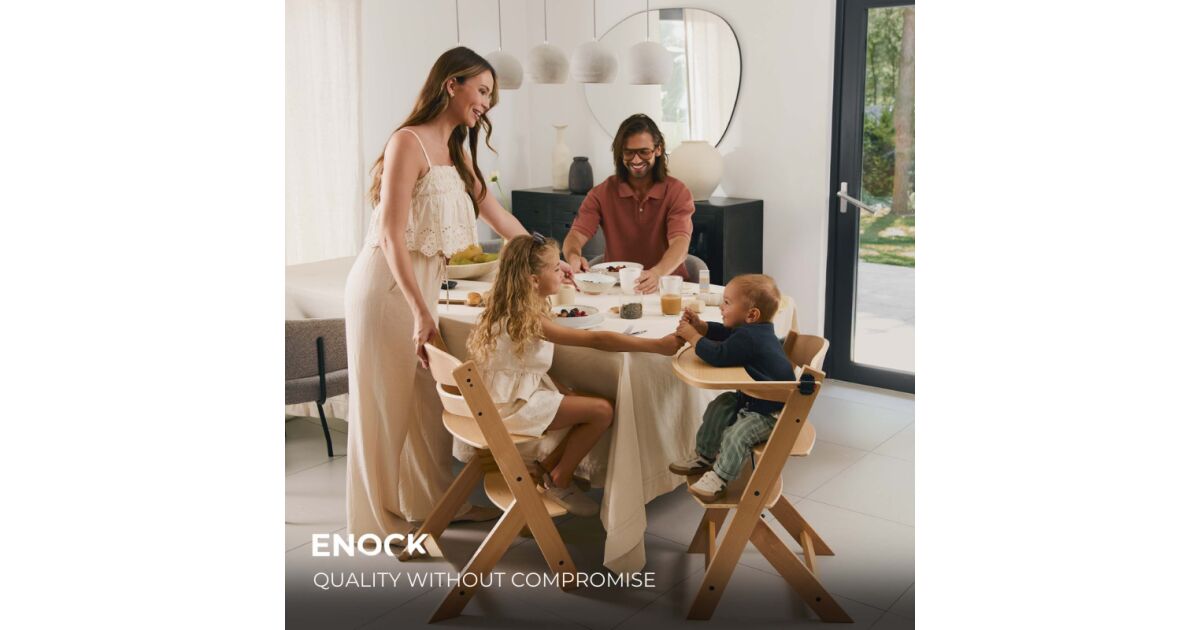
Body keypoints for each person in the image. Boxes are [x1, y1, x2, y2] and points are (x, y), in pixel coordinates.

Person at [344, 47, 573, 538]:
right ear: (452, 84)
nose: (486, 104)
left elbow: (500, 216)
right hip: (385, 288)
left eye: (491, 96)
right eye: (482, 91)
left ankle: (431, 505)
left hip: (418, 290)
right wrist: (419, 310)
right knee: (384, 408)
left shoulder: (456, 152)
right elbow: (391, 235)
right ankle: (377, 522)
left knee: (426, 407)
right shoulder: (408, 142)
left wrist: (549, 259)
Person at [467, 234, 684, 515]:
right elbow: (596, 340)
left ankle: (546, 468)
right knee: (602, 411)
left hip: (496, 400)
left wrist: (562, 390)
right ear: (533, 280)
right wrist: (655, 345)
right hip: (510, 408)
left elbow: (524, 367)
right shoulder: (529, 318)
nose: (562, 272)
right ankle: (560, 479)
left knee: (585, 398)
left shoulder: (509, 307)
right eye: (555, 268)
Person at [668, 274, 794, 501]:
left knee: (737, 434)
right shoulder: (754, 331)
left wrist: (693, 337)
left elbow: (719, 355)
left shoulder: (751, 338)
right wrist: (702, 327)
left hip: (772, 413)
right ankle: (704, 456)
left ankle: (719, 477)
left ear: (751, 315)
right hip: (754, 400)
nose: (721, 307)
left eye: (727, 302)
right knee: (720, 405)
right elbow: (728, 334)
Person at [562, 114, 696, 293]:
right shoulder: (601, 193)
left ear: (658, 149)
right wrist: (573, 256)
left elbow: (680, 243)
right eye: (629, 152)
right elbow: (575, 236)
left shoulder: (677, 192)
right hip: (618, 290)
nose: (636, 160)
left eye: (644, 152)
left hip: (666, 288)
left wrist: (657, 273)